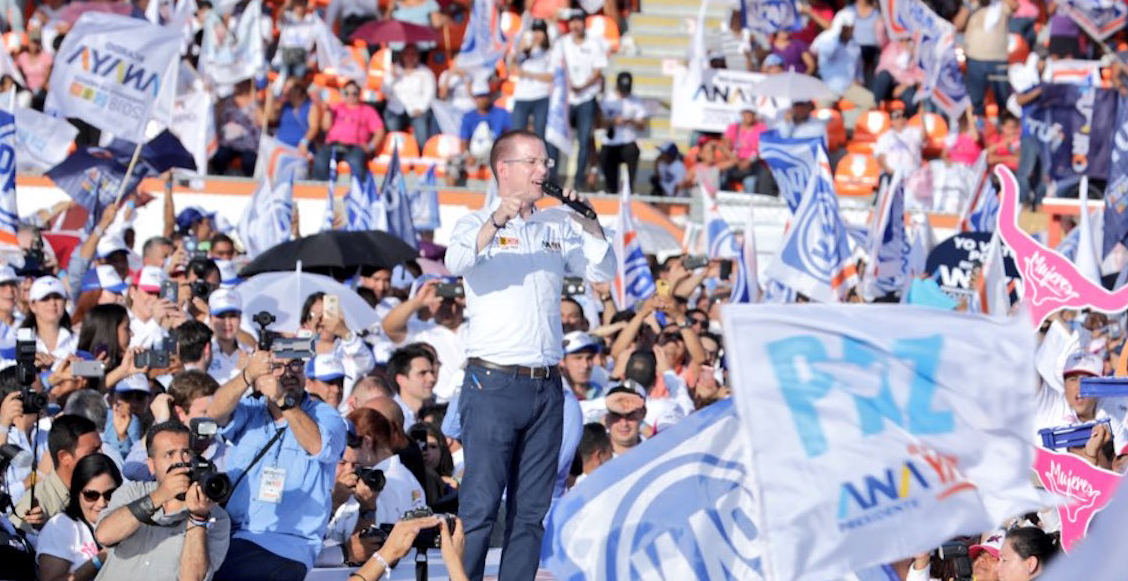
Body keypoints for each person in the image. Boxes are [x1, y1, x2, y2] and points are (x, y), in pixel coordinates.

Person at [445, 129, 615, 580]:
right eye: (534, 163)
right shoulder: (472, 222)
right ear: (505, 169)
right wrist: (498, 219)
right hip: (494, 383)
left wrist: (589, 222)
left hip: (545, 385)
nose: (544, 171)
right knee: (480, 507)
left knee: (530, 511)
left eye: (545, 164)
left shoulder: (556, 225)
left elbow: (603, 269)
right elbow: (455, 262)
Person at [207, 347, 346, 581]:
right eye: (278, 367)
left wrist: (283, 400)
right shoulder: (251, 411)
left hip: (289, 543)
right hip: (235, 535)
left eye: (295, 365)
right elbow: (214, 414)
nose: (289, 373)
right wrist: (246, 376)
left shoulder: (326, 415)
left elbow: (319, 445)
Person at [93, 422, 231, 581]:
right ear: (151, 465)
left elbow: (192, 578)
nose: (180, 461)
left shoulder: (215, 515)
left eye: (186, 452)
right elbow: (104, 535)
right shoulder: (133, 492)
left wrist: (198, 518)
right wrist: (160, 495)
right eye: (169, 454)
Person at [9, 415, 102, 538]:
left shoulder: (102, 487)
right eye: (92, 452)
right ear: (64, 457)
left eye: (100, 448)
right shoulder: (36, 504)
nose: (101, 455)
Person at [36, 454, 121, 581]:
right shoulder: (61, 528)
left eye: (110, 494)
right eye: (91, 495)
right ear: (77, 493)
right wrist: (99, 560)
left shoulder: (127, 521)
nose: (102, 503)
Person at [1035, 351, 1127, 468]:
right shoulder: (1049, 404)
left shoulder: (1113, 419)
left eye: (1087, 380)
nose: (1079, 387)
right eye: (1073, 379)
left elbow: (1120, 467)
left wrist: (1094, 455)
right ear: (1064, 384)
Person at [557, 9, 608, 190]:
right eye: (572, 21)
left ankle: (579, 181)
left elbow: (598, 70)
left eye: (578, 21)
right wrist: (568, 85)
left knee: (585, 139)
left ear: (584, 23)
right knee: (555, 135)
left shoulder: (594, 43)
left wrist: (583, 86)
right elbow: (557, 67)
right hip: (567, 98)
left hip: (586, 97)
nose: (575, 25)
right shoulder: (562, 43)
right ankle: (553, 175)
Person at [311, 80, 385, 181]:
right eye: (347, 93)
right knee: (320, 161)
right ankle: (320, 192)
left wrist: (371, 147)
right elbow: (325, 127)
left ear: (359, 94)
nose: (350, 96)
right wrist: (328, 112)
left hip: (355, 147)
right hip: (333, 145)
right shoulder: (335, 107)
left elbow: (380, 130)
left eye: (354, 93)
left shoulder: (368, 110)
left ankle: (358, 192)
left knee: (356, 163)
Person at [955, 0, 1017, 118]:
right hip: (975, 60)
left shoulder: (1001, 5)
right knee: (975, 102)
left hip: (999, 60)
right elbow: (958, 25)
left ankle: (1004, 131)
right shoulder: (970, 5)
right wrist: (970, 5)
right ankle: (978, 131)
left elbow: (1015, 5)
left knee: (1004, 102)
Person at [599, 72, 647, 193]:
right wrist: (613, 121)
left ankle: (629, 189)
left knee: (633, 151)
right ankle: (611, 189)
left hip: (628, 141)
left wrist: (631, 121)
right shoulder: (607, 100)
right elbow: (598, 123)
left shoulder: (636, 101)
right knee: (605, 158)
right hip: (610, 142)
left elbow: (642, 125)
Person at [509, 19, 554, 143]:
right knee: (516, 135)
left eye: (540, 32)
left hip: (541, 96)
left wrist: (528, 74)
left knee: (540, 136)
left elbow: (550, 76)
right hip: (522, 96)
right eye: (535, 31)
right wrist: (519, 50)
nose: (537, 35)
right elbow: (510, 67)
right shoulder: (524, 53)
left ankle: (540, 161)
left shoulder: (549, 53)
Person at [384, 44, 436, 146]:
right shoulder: (394, 70)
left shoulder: (425, 72)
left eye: (413, 54)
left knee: (422, 135)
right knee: (392, 129)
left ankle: (422, 155)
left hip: (417, 110)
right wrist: (391, 77)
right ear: (402, 56)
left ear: (418, 56)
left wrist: (421, 108)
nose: (410, 57)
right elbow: (384, 91)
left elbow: (430, 94)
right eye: (407, 54)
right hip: (396, 109)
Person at [459, 78, 511, 181]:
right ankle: (451, 196)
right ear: (474, 98)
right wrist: (467, 155)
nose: (481, 100)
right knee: (452, 165)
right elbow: (463, 140)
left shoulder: (502, 113)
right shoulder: (468, 116)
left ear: (490, 96)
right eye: (478, 97)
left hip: (494, 154)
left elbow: (510, 136)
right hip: (473, 154)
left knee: (502, 168)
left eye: (484, 96)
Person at [211, 79, 263, 176]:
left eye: (243, 83)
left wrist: (255, 101)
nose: (240, 85)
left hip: (249, 145)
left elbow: (263, 122)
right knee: (219, 157)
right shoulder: (226, 101)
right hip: (228, 142)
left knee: (249, 161)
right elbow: (217, 119)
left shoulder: (255, 101)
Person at [206, 289, 251, 385]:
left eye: (233, 316)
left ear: (240, 318)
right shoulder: (203, 355)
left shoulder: (251, 353)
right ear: (210, 318)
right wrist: (242, 372)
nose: (227, 323)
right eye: (221, 316)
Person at [387, 344, 437, 429]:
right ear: (401, 380)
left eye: (432, 372)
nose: (431, 379)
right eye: (422, 373)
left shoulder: (439, 410)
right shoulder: (388, 416)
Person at [270, 77, 320, 158]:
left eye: (289, 88)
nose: (285, 90)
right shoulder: (284, 105)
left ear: (298, 90)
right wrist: (271, 100)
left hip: (298, 150)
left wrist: (304, 142)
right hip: (280, 148)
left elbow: (314, 127)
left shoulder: (310, 106)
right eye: (285, 86)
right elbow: (271, 118)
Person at [721, 107, 767, 192]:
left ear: (754, 115)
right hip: (734, 162)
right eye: (746, 113)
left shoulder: (761, 128)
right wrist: (735, 160)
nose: (748, 116)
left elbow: (763, 148)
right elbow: (725, 146)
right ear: (741, 114)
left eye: (751, 113)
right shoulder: (733, 127)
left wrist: (750, 160)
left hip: (753, 163)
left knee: (750, 182)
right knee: (722, 177)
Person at [872, 102, 923, 178]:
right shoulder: (885, 137)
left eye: (904, 116)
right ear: (891, 121)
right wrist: (890, 172)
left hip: (912, 175)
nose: (901, 119)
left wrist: (923, 117)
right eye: (897, 116)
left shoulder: (914, 131)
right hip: (892, 174)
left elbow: (924, 137)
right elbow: (880, 157)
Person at [603, 384, 645, 456]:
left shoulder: (654, 448)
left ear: (642, 415)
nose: (624, 424)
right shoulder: (595, 458)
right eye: (616, 416)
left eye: (630, 415)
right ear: (606, 419)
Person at [569, 422, 612, 489]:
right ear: (599, 455)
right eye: (610, 454)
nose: (612, 459)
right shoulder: (605, 489)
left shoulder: (567, 490)